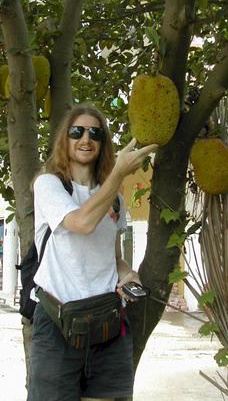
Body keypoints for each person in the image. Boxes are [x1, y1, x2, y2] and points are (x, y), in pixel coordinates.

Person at [28, 104, 158, 401]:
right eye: (77, 131)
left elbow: (113, 258)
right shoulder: (49, 185)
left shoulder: (115, 201)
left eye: (95, 133)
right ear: (66, 139)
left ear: (102, 143)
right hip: (57, 322)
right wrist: (120, 173)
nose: (86, 139)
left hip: (108, 325)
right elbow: (81, 223)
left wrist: (129, 274)